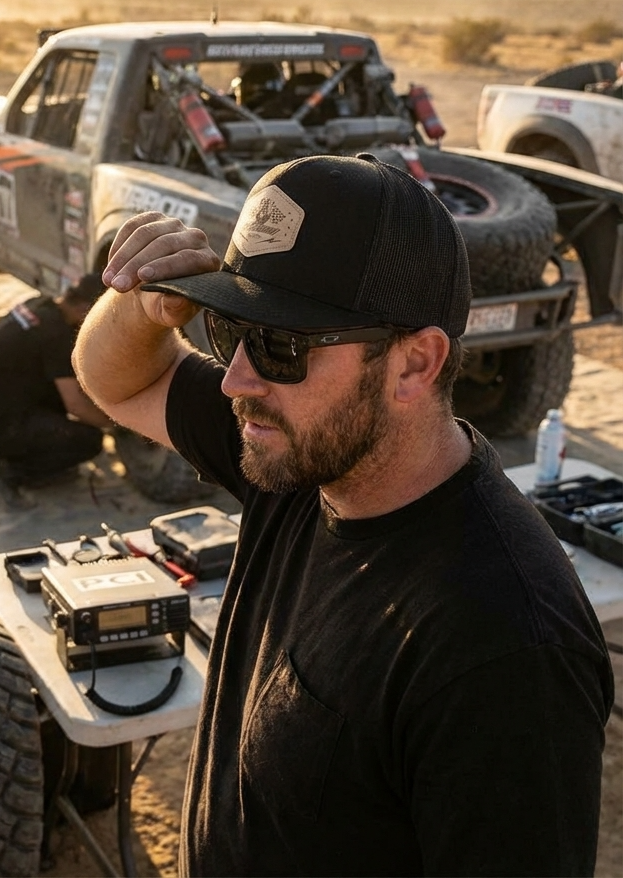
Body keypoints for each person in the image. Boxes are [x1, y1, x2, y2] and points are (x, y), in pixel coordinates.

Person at [73, 153, 614, 876]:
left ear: (415, 365)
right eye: (230, 330)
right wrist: (145, 307)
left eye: (281, 344)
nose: (237, 379)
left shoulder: (504, 648)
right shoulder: (299, 457)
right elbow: (116, 378)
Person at [0, 274, 110, 489]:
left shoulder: (38, 304)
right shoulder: (55, 334)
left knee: (57, 396)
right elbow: (76, 405)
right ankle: (12, 469)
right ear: (85, 309)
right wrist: (118, 425)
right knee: (89, 441)